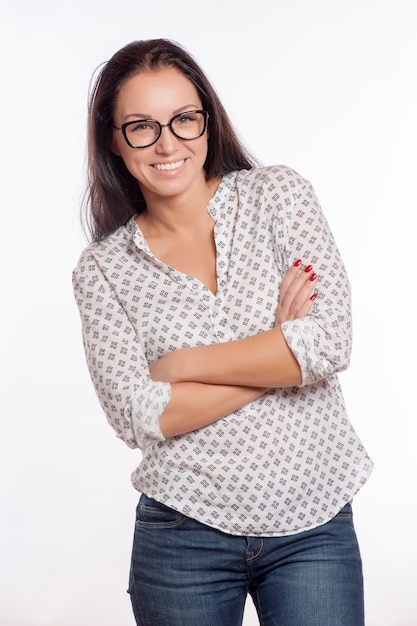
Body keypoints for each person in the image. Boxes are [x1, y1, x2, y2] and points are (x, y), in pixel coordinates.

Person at [72, 38, 373, 626]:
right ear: (114, 139)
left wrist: (184, 364)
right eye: (141, 126)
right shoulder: (102, 270)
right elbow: (138, 415)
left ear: (208, 119)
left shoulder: (278, 196)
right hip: (181, 535)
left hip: (314, 520)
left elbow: (329, 341)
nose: (168, 143)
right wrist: (280, 352)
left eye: (184, 119)